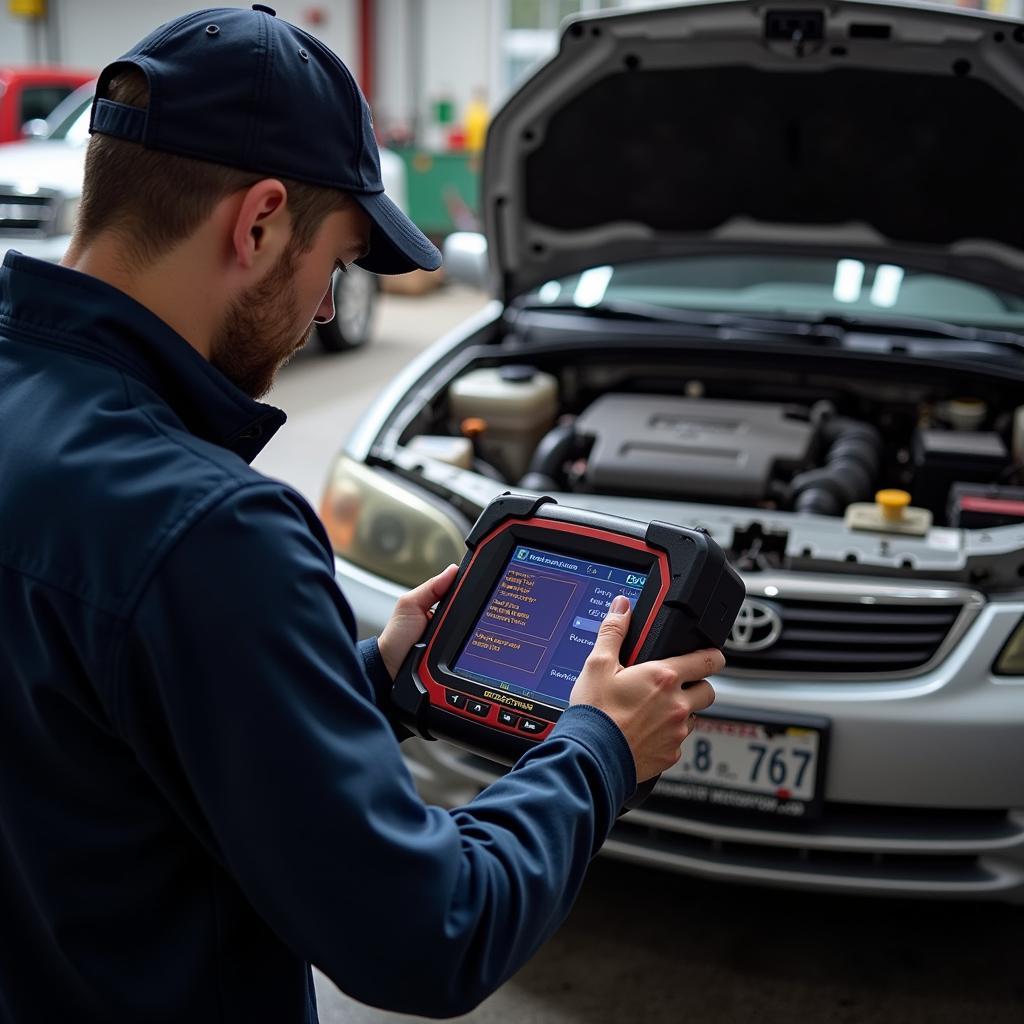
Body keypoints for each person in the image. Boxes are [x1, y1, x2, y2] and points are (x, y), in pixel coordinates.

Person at [0, 7, 721, 1022]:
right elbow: (430, 933)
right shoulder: (208, 530)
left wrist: (363, 680)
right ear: (255, 223)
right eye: (332, 263)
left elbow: (90, 732)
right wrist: (598, 748)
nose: (327, 311)